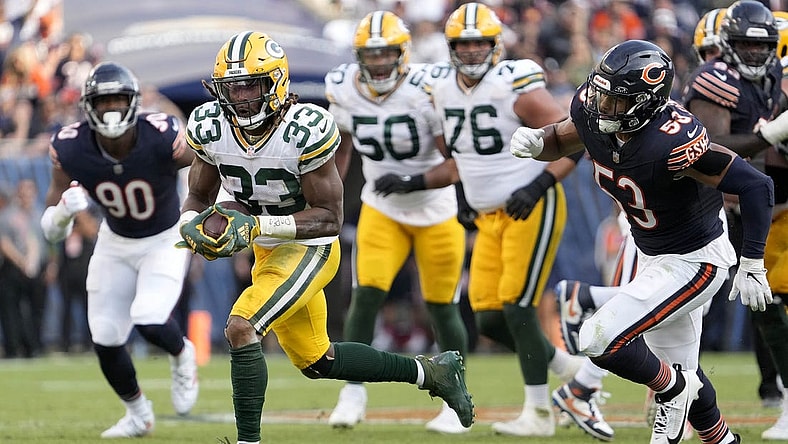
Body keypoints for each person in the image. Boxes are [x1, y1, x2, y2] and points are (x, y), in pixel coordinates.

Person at [176, 31, 474, 444]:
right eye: (233, 87)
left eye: (251, 85)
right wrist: (191, 222)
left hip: (310, 248)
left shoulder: (305, 128)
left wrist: (258, 226)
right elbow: (198, 195)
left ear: (276, 83)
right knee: (318, 360)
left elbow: (330, 219)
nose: (241, 97)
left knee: (242, 326)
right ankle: (433, 372)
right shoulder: (210, 125)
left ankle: (248, 442)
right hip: (268, 252)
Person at [511, 38, 774, 444]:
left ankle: (670, 391)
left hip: (696, 259)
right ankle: (721, 438)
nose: (601, 106)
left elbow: (756, 185)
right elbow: (564, 139)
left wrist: (753, 261)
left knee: (599, 337)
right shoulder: (594, 110)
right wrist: (539, 142)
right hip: (654, 254)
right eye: (601, 94)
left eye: (616, 101)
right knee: (687, 371)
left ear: (645, 102)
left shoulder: (671, 140)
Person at [418, 3, 611, 439]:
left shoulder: (515, 84)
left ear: (495, 45)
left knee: (518, 306)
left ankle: (540, 414)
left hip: (530, 206)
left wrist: (538, 186)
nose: (470, 52)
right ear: (450, 48)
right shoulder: (441, 88)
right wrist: (464, 190)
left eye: (478, 43)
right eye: (462, 44)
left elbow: (573, 138)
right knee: (487, 318)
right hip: (489, 216)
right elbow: (460, 150)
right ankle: (572, 371)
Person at [323, 11, 470, 434]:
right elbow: (342, 148)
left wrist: (409, 179)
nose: (380, 63)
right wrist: (330, 191)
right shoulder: (344, 88)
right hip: (382, 208)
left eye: (387, 53)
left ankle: (455, 394)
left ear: (402, 53)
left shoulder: (428, 88)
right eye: (371, 55)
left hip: (435, 207)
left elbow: (454, 164)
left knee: (443, 306)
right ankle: (352, 390)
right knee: (365, 295)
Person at [40, 61, 199, 438]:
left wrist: (200, 211)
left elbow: (204, 166)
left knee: (148, 317)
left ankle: (182, 354)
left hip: (164, 237)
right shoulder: (70, 146)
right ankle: (138, 414)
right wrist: (64, 211)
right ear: (88, 106)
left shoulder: (161, 135)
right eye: (103, 101)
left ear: (133, 102)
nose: (111, 108)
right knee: (106, 336)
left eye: (118, 100)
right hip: (116, 241)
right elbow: (50, 229)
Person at [682, 2, 788, 439]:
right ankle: (679, 402)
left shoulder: (774, 79)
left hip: (771, 209)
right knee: (686, 309)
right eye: (745, 43)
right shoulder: (716, 80)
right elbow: (706, 148)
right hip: (715, 214)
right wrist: (767, 135)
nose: (755, 52)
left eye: (762, 45)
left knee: (770, 305)